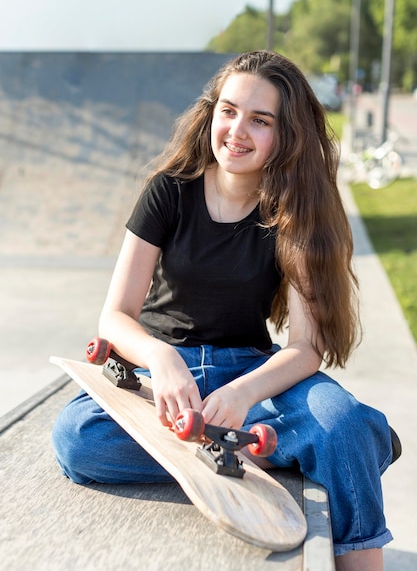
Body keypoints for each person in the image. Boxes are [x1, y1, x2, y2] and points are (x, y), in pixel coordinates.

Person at [52, 50, 397, 570]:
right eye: (229, 110)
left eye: (260, 120)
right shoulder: (168, 192)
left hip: (251, 376)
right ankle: (276, 446)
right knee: (79, 440)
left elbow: (305, 350)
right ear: (211, 113)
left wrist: (242, 392)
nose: (237, 130)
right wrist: (160, 356)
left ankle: (319, 442)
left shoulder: (293, 214)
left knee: (340, 420)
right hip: (163, 378)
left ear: (286, 135)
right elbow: (115, 316)